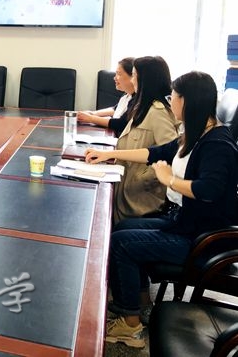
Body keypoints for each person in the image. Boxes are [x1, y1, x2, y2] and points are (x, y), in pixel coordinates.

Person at [85, 71, 238, 348]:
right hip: (184, 222)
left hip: (201, 240)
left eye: (174, 97)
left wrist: (170, 180)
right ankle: (139, 301)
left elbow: (209, 190)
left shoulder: (217, 144)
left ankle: (130, 325)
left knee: (121, 243)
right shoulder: (196, 133)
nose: (170, 102)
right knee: (122, 227)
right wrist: (110, 154)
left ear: (187, 101)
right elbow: (154, 152)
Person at [108, 56, 179, 223]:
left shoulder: (158, 112)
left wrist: (144, 178)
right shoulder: (141, 106)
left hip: (140, 197)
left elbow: (170, 153)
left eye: (134, 75)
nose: (132, 80)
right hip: (126, 189)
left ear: (145, 80)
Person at [77, 57, 135, 137]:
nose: (115, 78)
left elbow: (121, 123)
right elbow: (115, 109)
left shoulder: (137, 100)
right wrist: (93, 113)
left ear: (133, 76)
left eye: (119, 74)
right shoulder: (127, 95)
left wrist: (91, 118)